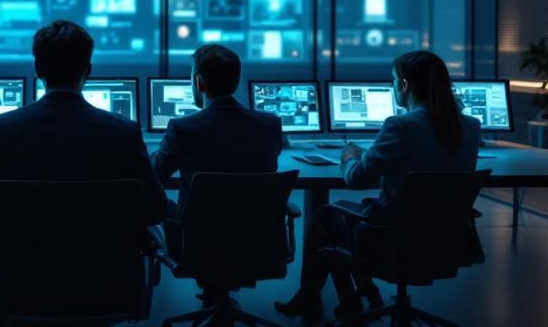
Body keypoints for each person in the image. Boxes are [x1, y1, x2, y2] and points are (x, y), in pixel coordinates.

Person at [275, 50, 481, 321]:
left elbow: (358, 178)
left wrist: (349, 156)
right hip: (447, 240)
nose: (393, 87)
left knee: (325, 217)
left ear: (404, 85)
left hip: (395, 239)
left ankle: (319, 299)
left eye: (394, 81)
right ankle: (358, 296)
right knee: (341, 226)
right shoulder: (470, 126)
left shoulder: (401, 125)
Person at [0, 19, 168, 231]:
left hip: (23, 261)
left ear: (37, 69)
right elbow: (155, 209)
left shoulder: (0, 129)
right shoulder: (124, 131)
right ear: (88, 71)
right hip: (105, 261)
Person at [150, 44, 283, 306]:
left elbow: (156, 175)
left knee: (157, 204)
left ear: (198, 82)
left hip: (196, 243)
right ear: (236, 80)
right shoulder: (270, 124)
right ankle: (217, 294)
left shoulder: (183, 128)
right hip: (255, 240)